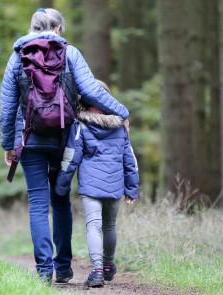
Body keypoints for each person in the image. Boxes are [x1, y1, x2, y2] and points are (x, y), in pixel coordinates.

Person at [0, 8, 130, 284]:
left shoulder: (17, 57)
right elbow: (92, 91)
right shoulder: (70, 54)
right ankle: (64, 267)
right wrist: (122, 112)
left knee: (37, 203)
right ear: (58, 28)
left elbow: (7, 107)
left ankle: (44, 271)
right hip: (64, 139)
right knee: (60, 200)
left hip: (30, 139)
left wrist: (8, 144)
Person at [54, 81, 139, 288]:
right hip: (115, 184)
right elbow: (130, 160)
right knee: (109, 226)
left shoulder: (80, 125)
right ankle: (109, 266)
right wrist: (131, 188)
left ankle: (97, 271)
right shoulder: (120, 126)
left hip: (91, 186)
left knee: (94, 226)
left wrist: (61, 185)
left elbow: (71, 157)